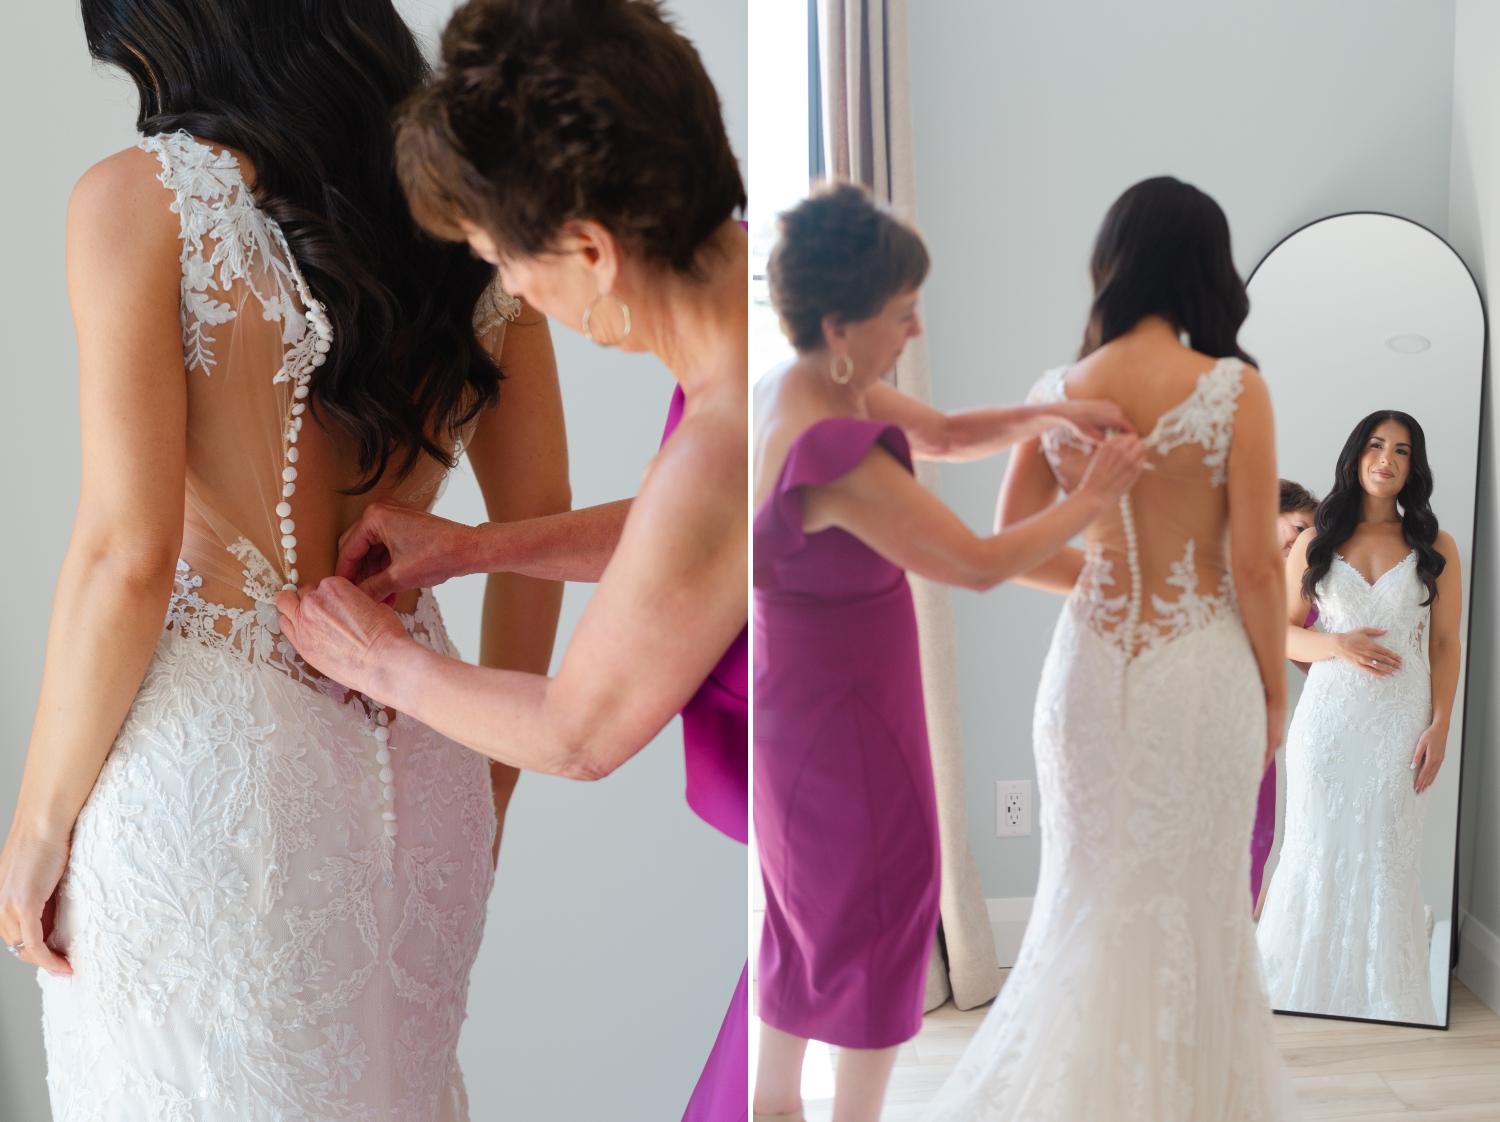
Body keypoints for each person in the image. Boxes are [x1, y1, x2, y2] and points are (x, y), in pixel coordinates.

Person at [0, 1, 569, 1116]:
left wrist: (38, 818)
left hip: (214, 778)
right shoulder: (475, 214)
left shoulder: (139, 202)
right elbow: (536, 522)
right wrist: (491, 777)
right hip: (426, 748)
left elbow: (129, 552)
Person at [273, 1, 749, 1116]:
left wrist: (387, 663)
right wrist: (478, 548)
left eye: (504, 263)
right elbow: (702, 544)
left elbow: (578, 734)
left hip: (823, 891)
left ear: (589, 250)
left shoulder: (732, 435)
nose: (516, 297)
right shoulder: (758, 305)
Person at [752, 182, 1145, 1122]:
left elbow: (943, 433)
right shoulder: (836, 449)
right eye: (902, 315)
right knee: (880, 919)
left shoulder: (796, 383)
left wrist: (1050, 419)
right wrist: (1094, 497)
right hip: (850, 731)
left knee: (803, 930)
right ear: (843, 324)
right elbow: (976, 566)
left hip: (797, 714)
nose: (915, 332)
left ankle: (772, 1108)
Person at [924, 177, 1297, 1120]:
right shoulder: (1234, 391)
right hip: (1202, 673)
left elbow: (1013, 544)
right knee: (1195, 902)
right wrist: (1275, 695)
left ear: (1115, 264)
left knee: (1081, 896)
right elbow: (1255, 566)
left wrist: (1099, 581)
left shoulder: (1058, 391)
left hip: (1085, 674)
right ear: (1206, 268)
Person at [1256, 411, 1460, 1023]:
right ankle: (1298, 993)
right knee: (1314, 847)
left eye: (1401, 450)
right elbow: (1279, 632)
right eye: (1376, 445)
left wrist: (1442, 724)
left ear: (1412, 466)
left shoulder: (1435, 546)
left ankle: (1383, 997)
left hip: (1402, 723)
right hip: (1328, 725)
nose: (1386, 459)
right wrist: (1337, 645)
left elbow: (1445, 645)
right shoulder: (1319, 541)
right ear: (1356, 455)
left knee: (1386, 852)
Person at [1250, 479, 1321, 916]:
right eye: (1297, 527)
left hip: (1258, 726)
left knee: (1258, 834)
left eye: (1308, 538)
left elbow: (1311, 656)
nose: (1300, 543)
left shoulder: (1295, 592)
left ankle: (1233, 940)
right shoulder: (1212, 564)